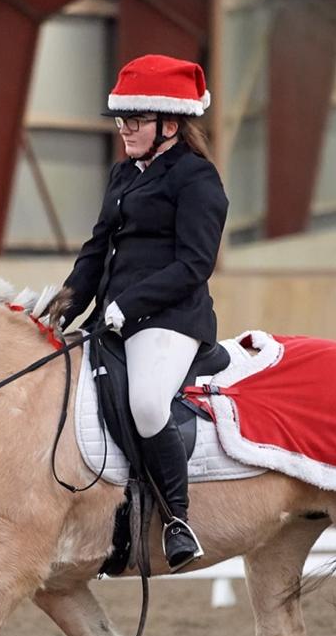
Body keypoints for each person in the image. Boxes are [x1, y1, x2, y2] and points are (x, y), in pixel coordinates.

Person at [48, 53, 229, 572]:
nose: (124, 129)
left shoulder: (197, 180)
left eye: (135, 120)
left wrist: (128, 305)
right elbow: (96, 247)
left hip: (171, 320)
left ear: (169, 124)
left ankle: (176, 519)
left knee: (148, 403)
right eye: (121, 120)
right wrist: (62, 307)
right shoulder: (124, 174)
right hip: (114, 316)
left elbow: (195, 265)